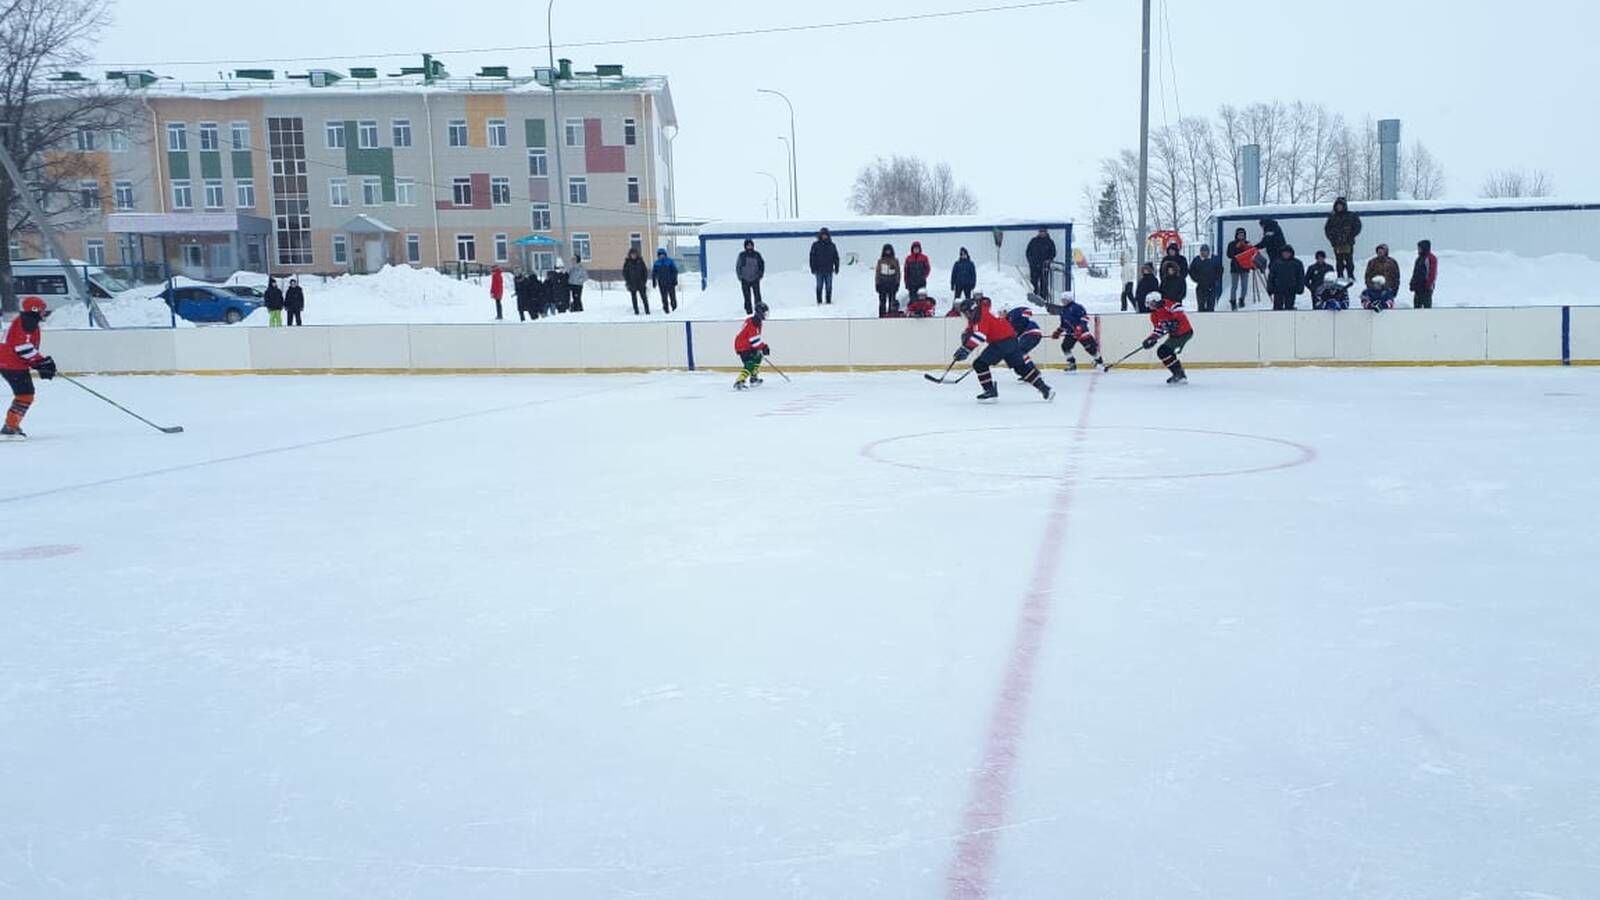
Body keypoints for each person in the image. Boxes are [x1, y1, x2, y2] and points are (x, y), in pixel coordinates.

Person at [951, 293, 1054, 403]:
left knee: (979, 364)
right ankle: (1045, 389)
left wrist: (966, 349)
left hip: (1001, 343)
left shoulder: (981, 316)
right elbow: (972, 329)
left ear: (970, 310)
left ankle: (990, 392)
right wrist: (967, 336)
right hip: (1011, 341)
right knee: (1021, 368)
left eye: (965, 313)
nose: (965, 316)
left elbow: (980, 336)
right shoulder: (978, 314)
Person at [0, 297, 57, 439]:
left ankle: (11, 426)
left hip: (10, 363)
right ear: (35, 309)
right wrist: (40, 362)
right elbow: (22, 347)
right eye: (42, 309)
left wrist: (39, 363)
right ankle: (10, 428)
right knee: (25, 395)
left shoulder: (26, 321)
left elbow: (21, 347)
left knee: (25, 394)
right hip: (12, 364)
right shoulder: (28, 322)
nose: (44, 312)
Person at [1141, 292, 1194, 385]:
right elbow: (1159, 329)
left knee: (1164, 351)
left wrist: (1175, 320)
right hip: (1175, 336)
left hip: (1185, 333)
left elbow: (1178, 308)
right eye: (1148, 304)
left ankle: (1179, 373)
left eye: (1150, 303)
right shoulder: (1154, 315)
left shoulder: (1167, 304)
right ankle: (1178, 373)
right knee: (1163, 351)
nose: (1149, 306)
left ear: (1156, 301)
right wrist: (1151, 339)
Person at [1046, 294, 1104, 371]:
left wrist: (1080, 327)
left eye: (1065, 300)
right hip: (1071, 333)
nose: (1063, 301)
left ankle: (1099, 362)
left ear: (1069, 299)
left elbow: (1085, 318)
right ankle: (1071, 364)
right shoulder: (1063, 310)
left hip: (1082, 332)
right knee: (1065, 347)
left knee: (1090, 348)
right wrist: (1058, 332)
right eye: (1062, 300)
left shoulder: (1077, 307)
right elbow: (1064, 324)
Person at [733, 300, 770, 390]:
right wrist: (763, 347)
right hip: (742, 346)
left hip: (748, 345)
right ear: (759, 313)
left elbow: (755, 338)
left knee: (758, 357)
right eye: (764, 313)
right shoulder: (753, 323)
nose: (766, 314)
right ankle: (739, 381)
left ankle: (754, 378)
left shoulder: (756, 321)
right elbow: (754, 340)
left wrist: (761, 347)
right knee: (750, 364)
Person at [1324, 197, 1362, 280]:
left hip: (1348, 243)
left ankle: (1350, 275)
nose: (1339, 207)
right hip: (1337, 243)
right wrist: (1332, 240)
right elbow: (1327, 229)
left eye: (1340, 205)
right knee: (1339, 261)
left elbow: (1357, 227)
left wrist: (1350, 236)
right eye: (1337, 205)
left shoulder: (1351, 215)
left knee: (1349, 260)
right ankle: (1340, 275)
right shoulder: (1332, 217)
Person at [1267, 244, 1306, 311]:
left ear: (1291, 253)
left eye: (1288, 253)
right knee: (1277, 308)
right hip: (1278, 289)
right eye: (1284, 252)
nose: (1286, 254)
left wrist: (1300, 288)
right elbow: (1271, 277)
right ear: (1281, 253)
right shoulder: (1276, 263)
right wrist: (1270, 288)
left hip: (1291, 289)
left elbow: (1301, 277)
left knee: (1289, 308)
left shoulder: (1297, 263)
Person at [1189, 244, 1224, 313]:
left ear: (1208, 251)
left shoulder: (1214, 259)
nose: (1204, 253)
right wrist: (1196, 279)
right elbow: (1191, 271)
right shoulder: (1197, 260)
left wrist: (1215, 278)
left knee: (1211, 305)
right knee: (1201, 305)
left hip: (1211, 285)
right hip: (1201, 286)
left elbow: (1220, 270)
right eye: (1202, 251)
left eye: (1205, 251)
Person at [1225, 227, 1253, 310]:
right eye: (1239, 234)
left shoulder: (1247, 243)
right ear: (1236, 235)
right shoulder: (1232, 244)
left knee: (1244, 286)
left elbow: (1251, 254)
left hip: (1245, 268)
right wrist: (1236, 248)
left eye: (1242, 234)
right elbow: (1229, 255)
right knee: (1234, 286)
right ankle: (1233, 301)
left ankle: (1242, 299)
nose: (1241, 236)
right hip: (1235, 268)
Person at [809, 228, 839, 305]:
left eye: (826, 235)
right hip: (818, 270)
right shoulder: (815, 245)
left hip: (829, 270)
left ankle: (828, 301)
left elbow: (836, 257)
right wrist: (812, 268)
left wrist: (836, 267)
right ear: (820, 235)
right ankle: (819, 301)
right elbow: (812, 257)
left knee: (829, 286)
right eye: (823, 235)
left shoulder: (832, 245)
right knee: (819, 286)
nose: (824, 236)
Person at [1025, 228, 1057, 299]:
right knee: (1034, 283)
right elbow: (1028, 252)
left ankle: (1044, 298)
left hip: (1044, 266)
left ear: (1046, 232)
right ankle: (1034, 298)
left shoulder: (1050, 242)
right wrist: (1031, 261)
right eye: (1040, 232)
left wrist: (1048, 261)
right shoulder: (1033, 241)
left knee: (1044, 283)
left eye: (1043, 232)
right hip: (1034, 267)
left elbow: (1053, 253)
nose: (1042, 233)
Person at [736, 238, 764, 314]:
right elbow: (738, 266)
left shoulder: (757, 254)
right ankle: (748, 311)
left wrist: (760, 274)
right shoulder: (742, 255)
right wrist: (740, 276)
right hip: (745, 279)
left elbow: (761, 264)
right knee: (747, 297)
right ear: (745, 246)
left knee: (757, 296)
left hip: (755, 278)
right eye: (748, 245)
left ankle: (759, 310)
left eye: (750, 245)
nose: (749, 246)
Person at [874, 244, 901, 317]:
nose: (888, 252)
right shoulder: (881, 261)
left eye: (889, 250)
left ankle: (890, 316)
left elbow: (898, 273)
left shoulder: (895, 261)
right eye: (886, 250)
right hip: (883, 284)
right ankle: (882, 316)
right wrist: (877, 284)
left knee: (891, 301)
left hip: (892, 284)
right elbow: (877, 273)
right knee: (882, 302)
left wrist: (897, 283)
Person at [1411, 239, 1438, 309]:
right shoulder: (1419, 259)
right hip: (1418, 288)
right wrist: (1412, 283)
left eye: (1420, 248)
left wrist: (1428, 285)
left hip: (1426, 288)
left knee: (1427, 308)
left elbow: (1432, 273)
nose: (1418, 249)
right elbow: (1415, 272)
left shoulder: (1431, 258)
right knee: (1417, 307)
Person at [623, 247, 650, 315]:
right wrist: (628, 282)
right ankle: (636, 311)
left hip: (641, 282)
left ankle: (647, 310)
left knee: (644, 297)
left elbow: (645, 271)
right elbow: (625, 273)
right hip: (632, 283)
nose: (633, 256)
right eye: (632, 254)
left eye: (634, 254)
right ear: (630, 255)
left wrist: (644, 281)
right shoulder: (627, 262)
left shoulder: (640, 261)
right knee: (634, 298)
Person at [651, 248, 679, 314]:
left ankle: (674, 309)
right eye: (660, 255)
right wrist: (654, 282)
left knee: (672, 297)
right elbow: (654, 273)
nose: (661, 256)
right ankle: (666, 309)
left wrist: (675, 280)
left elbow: (675, 271)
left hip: (670, 283)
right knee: (664, 297)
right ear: (658, 255)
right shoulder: (656, 263)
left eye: (663, 254)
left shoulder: (669, 261)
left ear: (665, 255)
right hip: (661, 283)